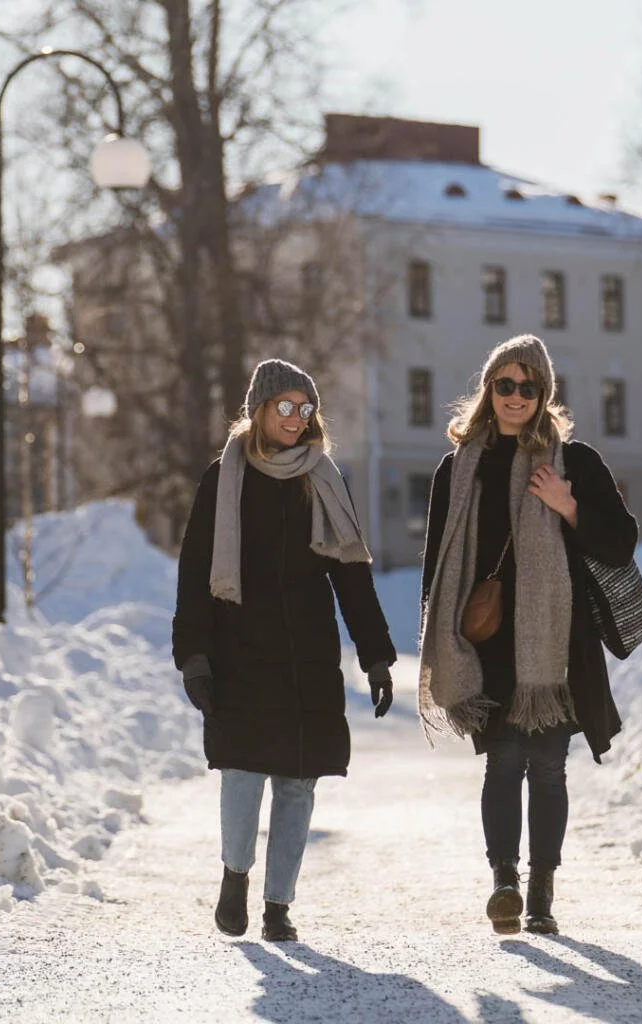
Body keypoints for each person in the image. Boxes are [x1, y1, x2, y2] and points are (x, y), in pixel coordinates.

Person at [419, 334, 637, 936]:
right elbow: (437, 564)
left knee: (546, 767)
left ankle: (541, 890)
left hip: (556, 644)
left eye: (528, 387)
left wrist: (570, 508)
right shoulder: (459, 466)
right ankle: (504, 882)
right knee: (502, 763)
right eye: (504, 384)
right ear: (488, 390)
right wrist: (439, 641)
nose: (515, 396)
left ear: (545, 395)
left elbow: (620, 544)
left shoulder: (576, 463)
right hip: (486, 641)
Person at [173, 358, 396, 942]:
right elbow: (195, 572)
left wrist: (375, 655)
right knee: (243, 772)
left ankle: (278, 906)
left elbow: (351, 573)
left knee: (298, 782)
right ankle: (234, 877)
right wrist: (193, 655)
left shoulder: (322, 479)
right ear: (260, 409)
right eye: (285, 407)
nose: (297, 419)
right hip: (239, 650)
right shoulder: (221, 481)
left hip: (306, 656)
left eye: (305, 408)